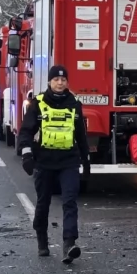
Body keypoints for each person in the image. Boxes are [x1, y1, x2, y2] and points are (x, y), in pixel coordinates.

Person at [19, 65, 90, 263]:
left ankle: (69, 244)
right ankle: (42, 241)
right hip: (44, 161)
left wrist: (86, 160)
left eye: (63, 80)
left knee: (70, 202)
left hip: (68, 160)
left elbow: (80, 135)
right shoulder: (38, 103)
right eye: (56, 80)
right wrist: (26, 155)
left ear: (67, 82)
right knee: (43, 203)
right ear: (50, 82)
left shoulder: (74, 103)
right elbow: (25, 131)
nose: (60, 83)